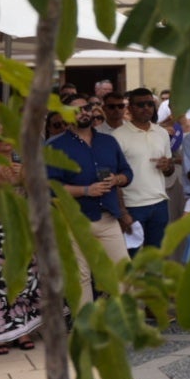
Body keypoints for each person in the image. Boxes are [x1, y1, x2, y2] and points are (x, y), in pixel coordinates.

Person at [46, 95, 133, 299]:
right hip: (73, 219)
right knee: (80, 277)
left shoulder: (108, 141)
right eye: (75, 110)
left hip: (108, 217)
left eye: (85, 108)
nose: (83, 112)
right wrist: (86, 190)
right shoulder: (55, 146)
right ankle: (84, 328)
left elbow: (127, 173)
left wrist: (116, 180)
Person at [111, 88, 175, 252]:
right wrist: (122, 212)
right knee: (129, 259)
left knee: (155, 258)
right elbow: (113, 178)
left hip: (159, 204)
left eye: (150, 104)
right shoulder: (117, 136)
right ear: (130, 108)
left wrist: (168, 166)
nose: (146, 108)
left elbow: (169, 170)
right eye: (140, 104)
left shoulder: (161, 133)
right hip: (132, 206)